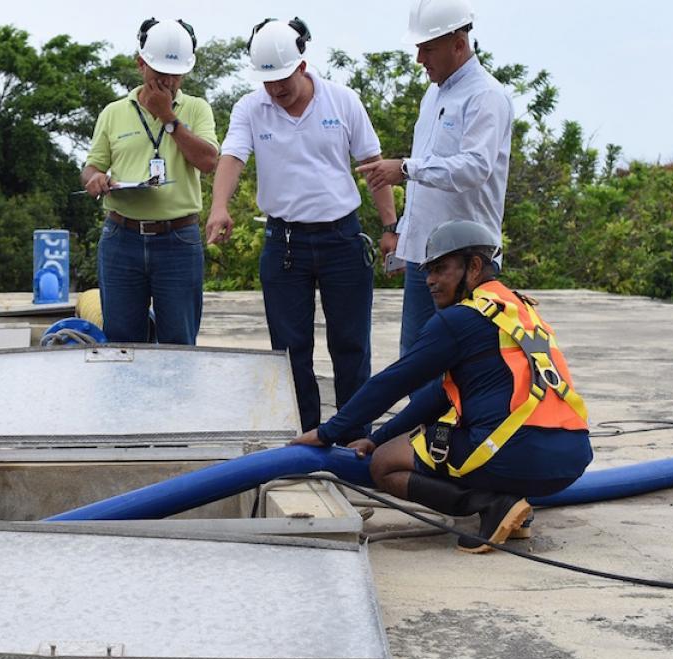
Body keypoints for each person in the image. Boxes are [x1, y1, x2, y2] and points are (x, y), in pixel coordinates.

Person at [292, 220, 591, 553]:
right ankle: (511, 507)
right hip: (572, 456)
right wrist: (375, 438)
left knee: (385, 464)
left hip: (515, 451)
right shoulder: (519, 309)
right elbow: (438, 395)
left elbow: (394, 381)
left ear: (474, 266)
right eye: (428, 271)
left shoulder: (459, 320)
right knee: (432, 433)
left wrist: (328, 432)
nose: (430, 281)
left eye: (440, 269)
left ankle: (492, 505)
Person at [207, 18, 397, 439]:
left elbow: (372, 168)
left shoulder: (343, 101)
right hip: (285, 243)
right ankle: (305, 438)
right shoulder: (249, 108)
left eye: (283, 79)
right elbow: (233, 157)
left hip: (342, 241)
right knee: (290, 351)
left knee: (351, 347)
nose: (276, 89)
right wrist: (219, 207)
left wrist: (391, 226)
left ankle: (355, 438)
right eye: (268, 81)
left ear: (303, 65)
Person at [356, 0, 514, 357]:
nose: (419, 60)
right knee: (416, 360)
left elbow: (475, 167)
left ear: (459, 44)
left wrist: (406, 168)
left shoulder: (486, 96)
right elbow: (425, 185)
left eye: (427, 49)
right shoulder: (433, 94)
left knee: (464, 365)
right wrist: (400, 235)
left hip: (466, 260)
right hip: (423, 255)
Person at [82, 18, 219, 345]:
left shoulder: (197, 109)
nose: (168, 82)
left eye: (175, 75)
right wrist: (96, 178)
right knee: (123, 343)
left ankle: (178, 398)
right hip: (121, 238)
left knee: (179, 342)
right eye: (160, 74)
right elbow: (91, 167)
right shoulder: (114, 112)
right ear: (141, 64)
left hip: (178, 239)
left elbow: (208, 161)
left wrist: (168, 117)